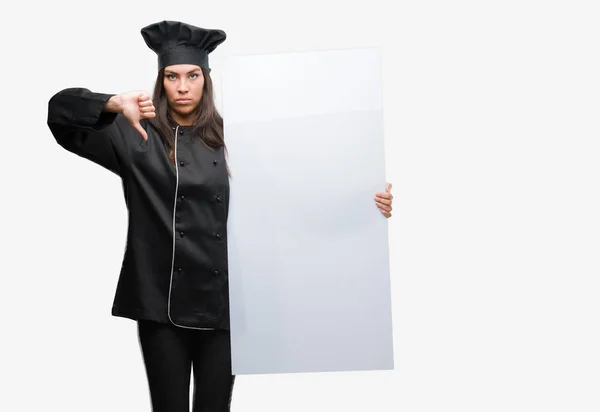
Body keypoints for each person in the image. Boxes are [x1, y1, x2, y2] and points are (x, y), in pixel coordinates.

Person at [46, 20, 394, 412]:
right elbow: (59, 114)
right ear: (160, 81)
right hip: (161, 305)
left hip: (225, 304)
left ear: (206, 79)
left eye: (192, 75)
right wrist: (112, 103)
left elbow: (292, 203)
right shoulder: (134, 134)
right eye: (172, 76)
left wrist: (362, 206)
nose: (182, 87)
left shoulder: (237, 141)